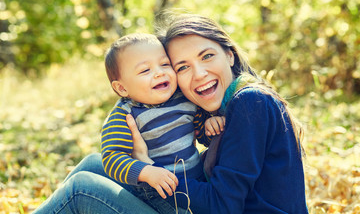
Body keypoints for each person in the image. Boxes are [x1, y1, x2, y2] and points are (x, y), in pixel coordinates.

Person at [33, 12, 308, 214]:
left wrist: (150, 168)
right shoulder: (232, 103)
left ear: (230, 55)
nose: (199, 74)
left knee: (81, 189)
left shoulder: (251, 103)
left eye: (207, 56)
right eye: (183, 67)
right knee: (95, 164)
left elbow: (222, 205)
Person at [100, 33, 224, 213]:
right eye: (145, 70)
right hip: (157, 193)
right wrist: (147, 172)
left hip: (196, 183)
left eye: (165, 64)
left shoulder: (184, 100)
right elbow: (112, 158)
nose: (159, 73)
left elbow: (202, 135)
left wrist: (210, 126)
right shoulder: (125, 115)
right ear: (122, 88)